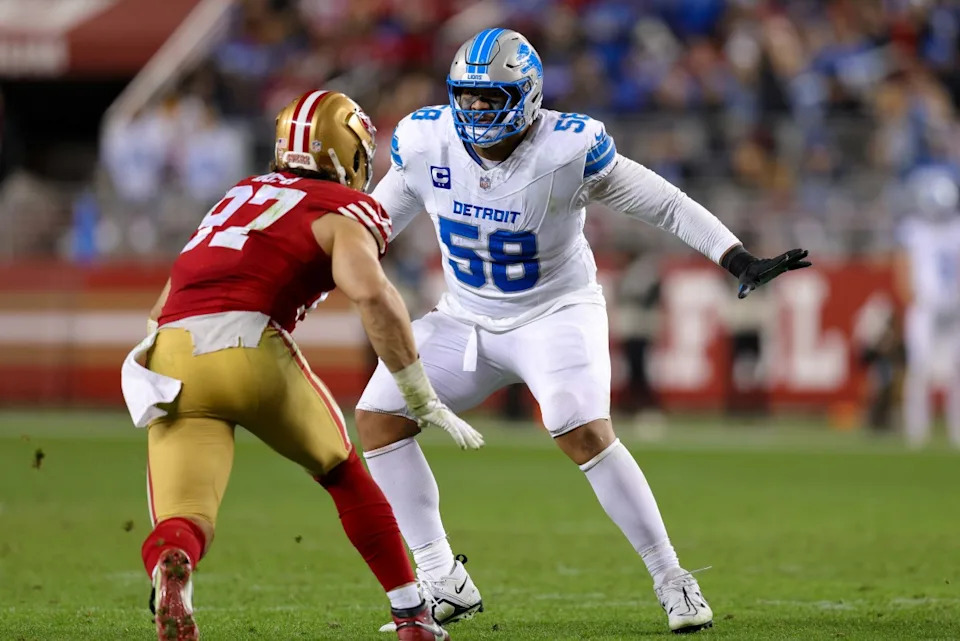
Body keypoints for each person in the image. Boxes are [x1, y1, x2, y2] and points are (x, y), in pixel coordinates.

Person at [354, 29, 810, 634]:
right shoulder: (425, 140)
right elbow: (368, 227)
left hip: (554, 314)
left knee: (580, 427)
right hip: (464, 317)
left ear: (527, 95)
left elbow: (666, 203)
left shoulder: (567, 149)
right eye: (467, 97)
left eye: (491, 99)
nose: (475, 111)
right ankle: (442, 579)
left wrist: (735, 257)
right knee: (379, 417)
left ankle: (673, 579)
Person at [120, 90, 485, 641]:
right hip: (249, 348)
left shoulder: (237, 195)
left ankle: (176, 565)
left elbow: (164, 302)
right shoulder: (342, 208)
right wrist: (418, 392)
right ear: (348, 152)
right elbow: (372, 294)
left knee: (185, 517)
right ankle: (412, 616)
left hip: (169, 353)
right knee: (343, 472)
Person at [896, 166, 960, 448]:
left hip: (955, 306)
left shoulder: (956, 227)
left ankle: (956, 432)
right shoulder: (914, 229)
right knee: (920, 367)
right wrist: (911, 296)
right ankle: (916, 433)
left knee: (956, 370)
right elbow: (904, 265)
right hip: (925, 304)